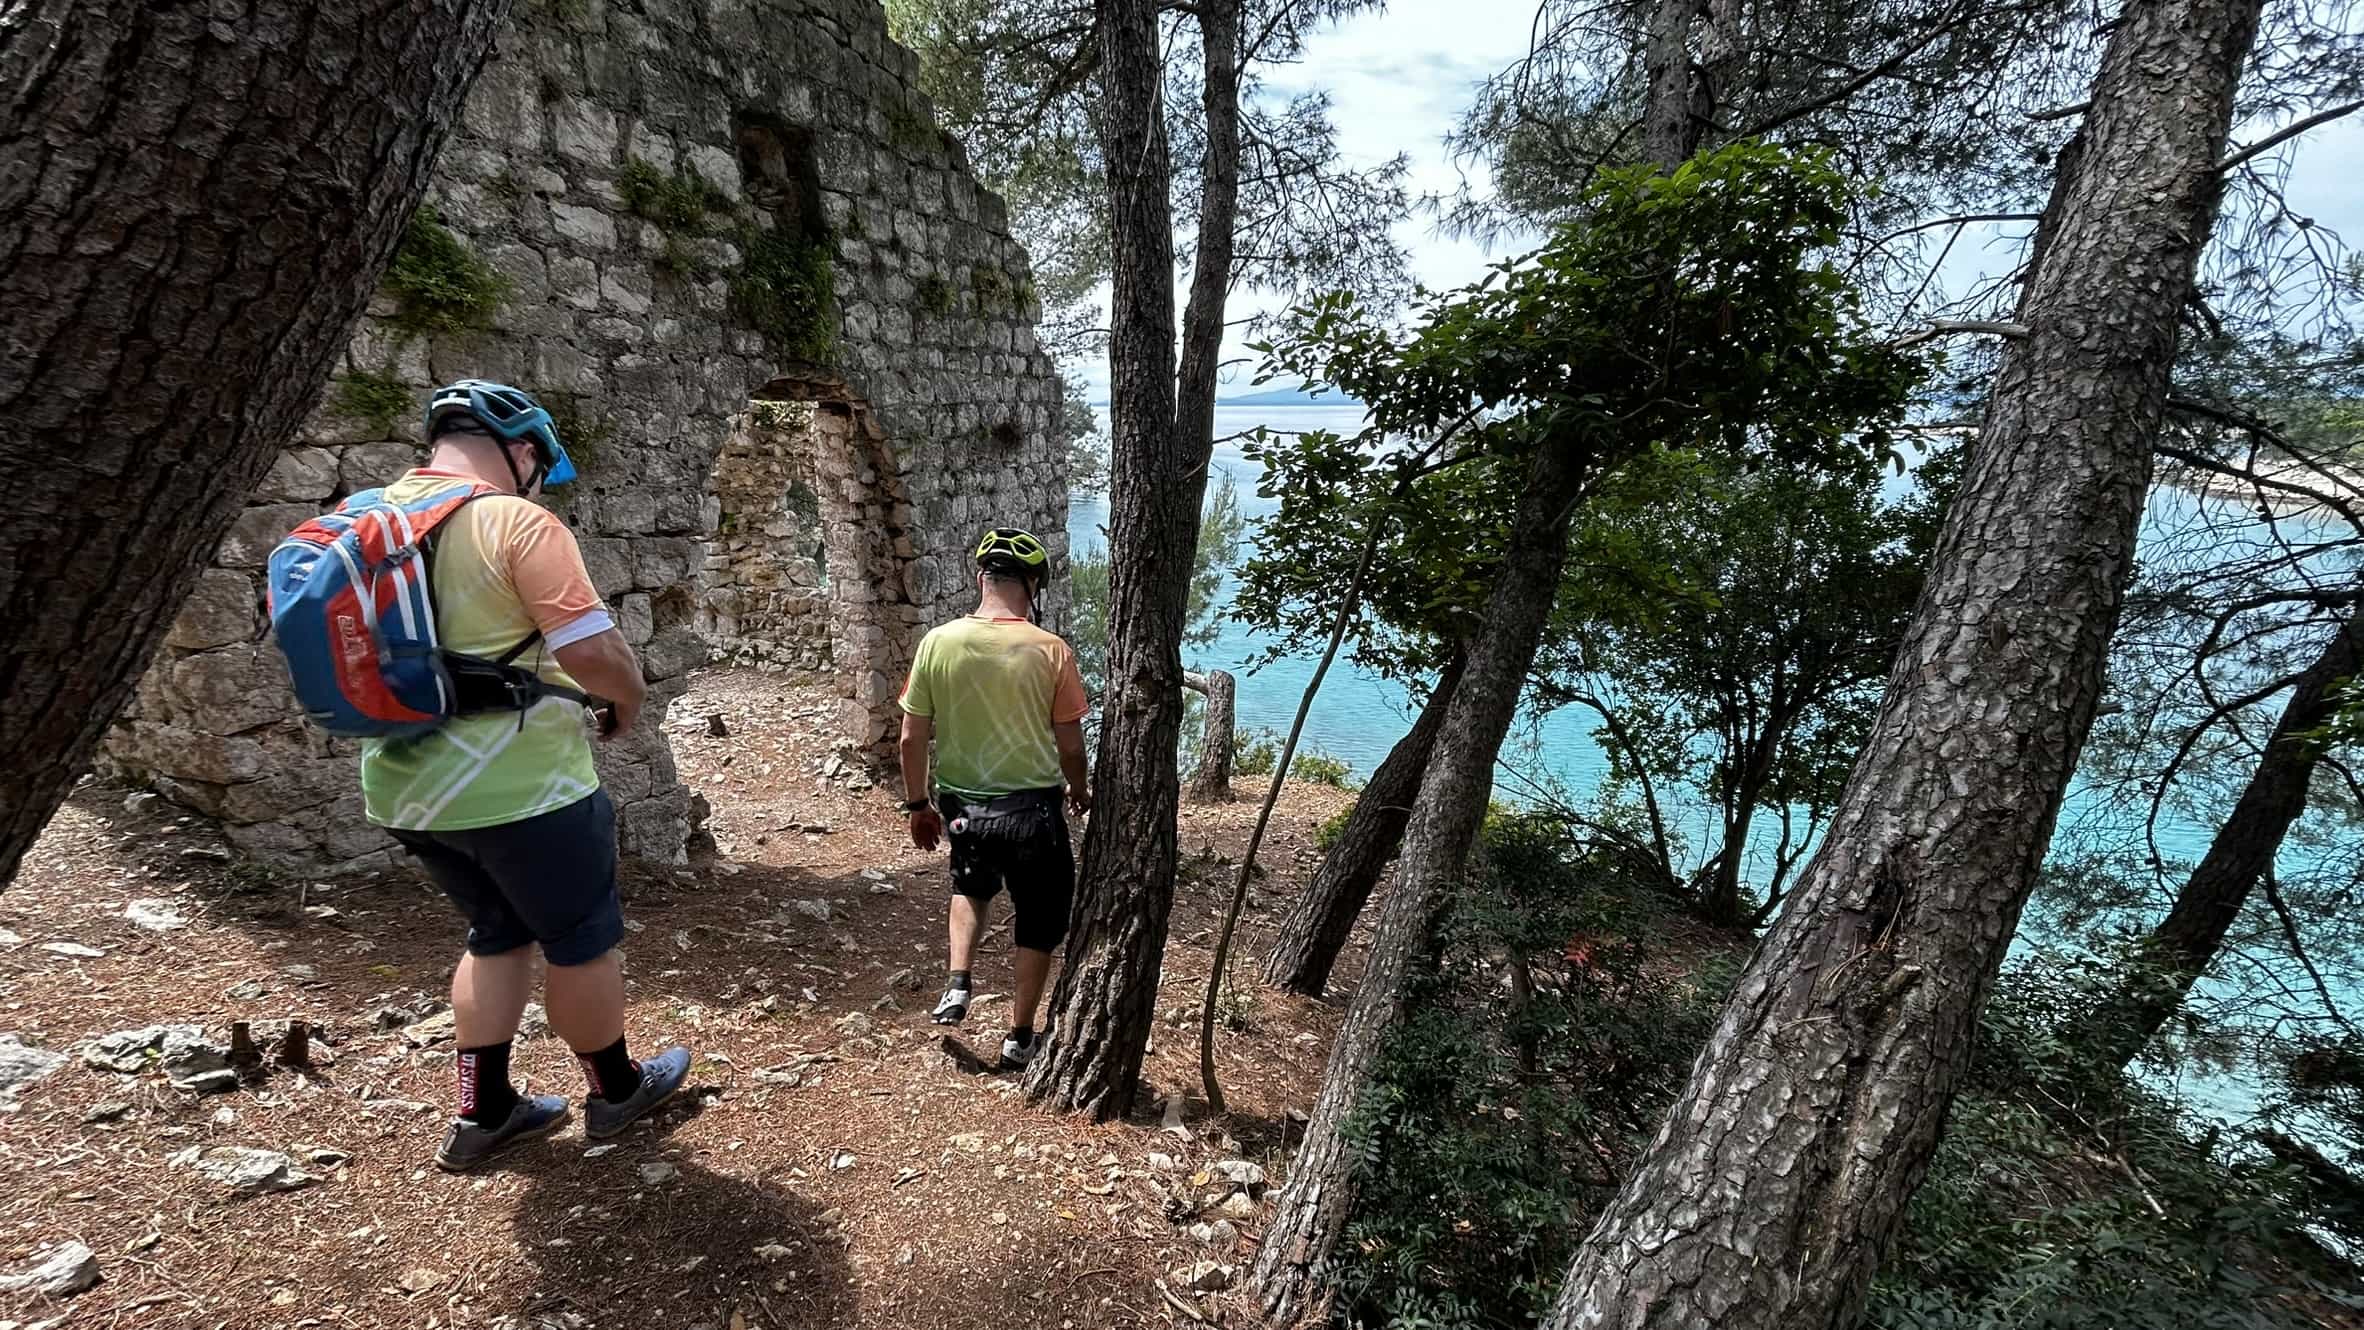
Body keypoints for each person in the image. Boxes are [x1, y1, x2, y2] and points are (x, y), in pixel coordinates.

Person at [363, 379, 690, 1171]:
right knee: (580, 941)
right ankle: (616, 1090)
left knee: (496, 932)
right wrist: (629, 695)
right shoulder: (514, 521)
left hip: (405, 789)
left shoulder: (367, 520)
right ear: (520, 448)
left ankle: (484, 1110)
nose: (537, 480)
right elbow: (588, 652)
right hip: (526, 789)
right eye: (539, 464)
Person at [898, 527, 1091, 1069]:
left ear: (981, 578)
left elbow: (912, 737)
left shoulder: (938, 642)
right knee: (1038, 918)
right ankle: (1019, 1036)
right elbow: (1071, 747)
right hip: (1033, 814)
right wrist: (1079, 790)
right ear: (1034, 585)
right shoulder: (1051, 651)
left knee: (969, 885)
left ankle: (958, 981)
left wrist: (918, 806)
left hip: (963, 812)